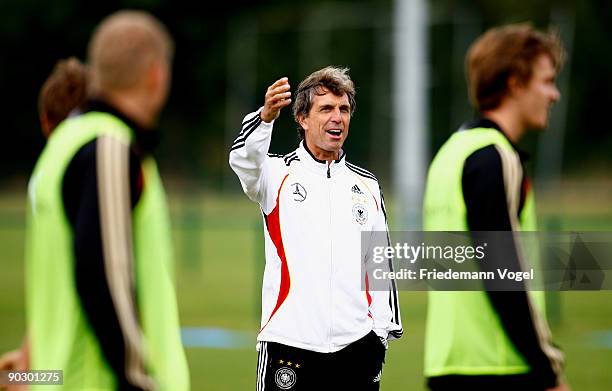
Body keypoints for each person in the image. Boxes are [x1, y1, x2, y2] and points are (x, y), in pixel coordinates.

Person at [23, 11, 189, 390]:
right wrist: (140, 381)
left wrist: (26, 372)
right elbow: (103, 278)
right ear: (155, 75)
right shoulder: (109, 147)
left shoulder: (64, 145)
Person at [229, 66, 402, 390]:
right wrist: (265, 118)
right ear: (303, 118)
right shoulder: (275, 175)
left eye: (344, 109)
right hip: (288, 346)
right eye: (326, 109)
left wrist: (379, 337)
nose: (337, 117)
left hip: (357, 349)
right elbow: (242, 160)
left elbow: (380, 266)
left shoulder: (366, 185)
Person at [423, 24, 568, 390]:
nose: (554, 94)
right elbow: (504, 273)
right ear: (515, 83)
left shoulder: (450, 153)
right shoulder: (495, 157)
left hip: (446, 364)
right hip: (500, 367)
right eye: (547, 81)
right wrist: (548, 368)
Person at [0, 56, 88, 391]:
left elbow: (65, 275)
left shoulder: (50, 175)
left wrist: (24, 369)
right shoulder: (121, 157)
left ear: (44, 122)